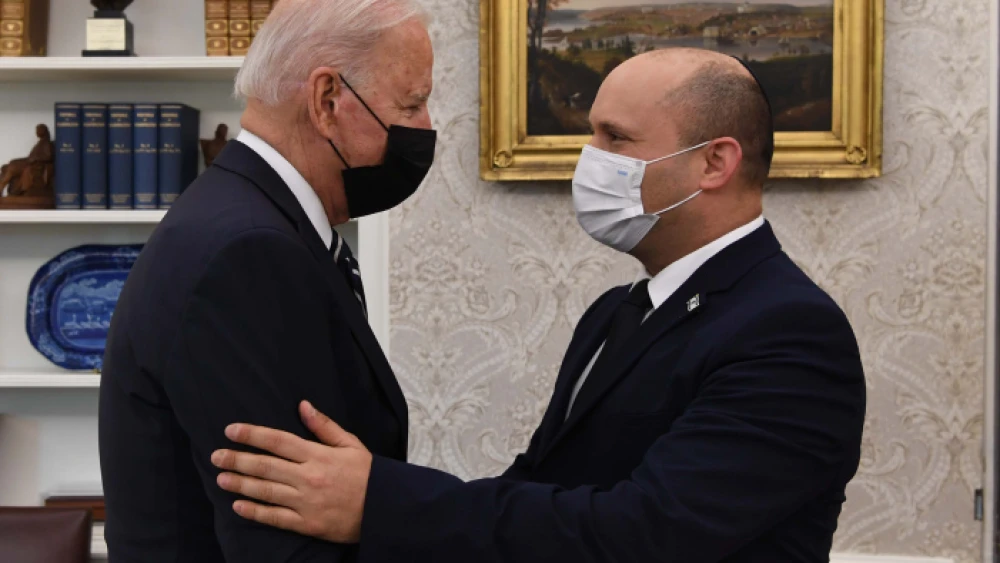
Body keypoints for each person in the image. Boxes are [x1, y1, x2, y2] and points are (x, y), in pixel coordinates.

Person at [210, 48, 867, 562]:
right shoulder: (616, 312)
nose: (589, 160)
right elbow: (540, 490)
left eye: (616, 138)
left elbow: (645, 535)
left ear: (714, 163)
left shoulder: (789, 334)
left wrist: (377, 500)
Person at [97, 0, 434, 561]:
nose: (425, 127)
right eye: (413, 103)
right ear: (327, 100)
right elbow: (289, 540)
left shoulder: (253, 218)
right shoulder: (249, 252)